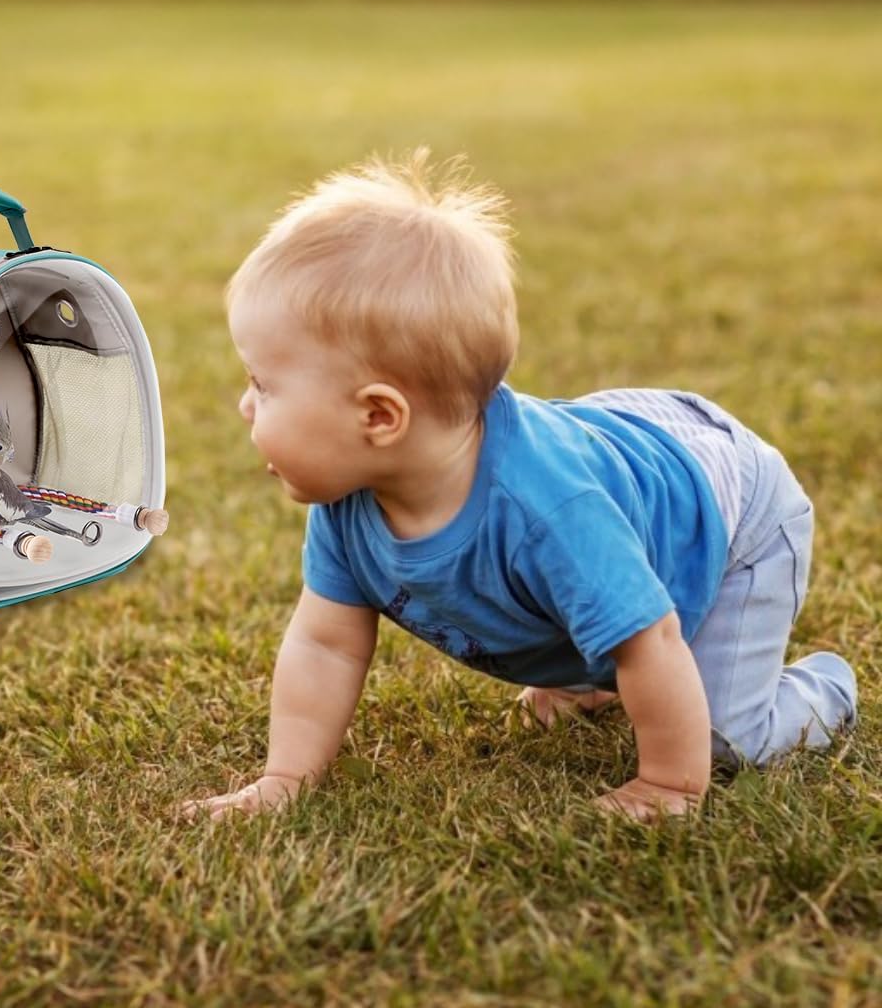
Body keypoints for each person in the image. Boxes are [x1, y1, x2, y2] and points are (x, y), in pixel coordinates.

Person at [183, 151, 857, 823]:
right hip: (617, 451)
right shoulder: (349, 500)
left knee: (725, 737)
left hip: (730, 511)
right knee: (584, 599)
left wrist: (669, 784)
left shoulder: (551, 512)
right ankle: (587, 676)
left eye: (262, 386)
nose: (245, 407)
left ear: (379, 416)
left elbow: (650, 640)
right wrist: (284, 777)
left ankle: (824, 689)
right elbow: (326, 643)